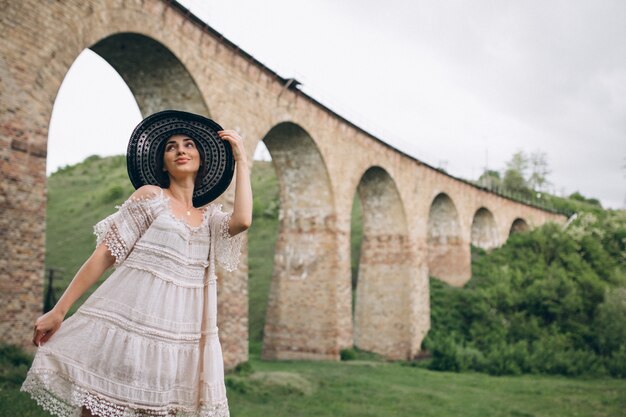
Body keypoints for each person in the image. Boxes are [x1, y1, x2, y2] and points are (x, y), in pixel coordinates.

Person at [21, 110, 252, 417]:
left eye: (188, 145)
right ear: (162, 163)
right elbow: (104, 254)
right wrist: (59, 310)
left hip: (174, 341)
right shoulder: (151, 198)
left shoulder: (210, 219)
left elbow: (243, 221)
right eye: (171, 147)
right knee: (97, 408)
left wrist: (242, 161)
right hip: (128, 327)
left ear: (201, 159)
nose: (180, 150)